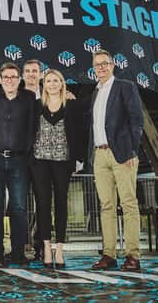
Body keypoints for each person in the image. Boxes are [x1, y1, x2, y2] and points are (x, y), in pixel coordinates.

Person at [86, 50, 144, 272]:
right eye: (97, 65)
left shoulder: (124, 86)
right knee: (106, 206)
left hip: (122, 153)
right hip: (99, 155)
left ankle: (133, 256)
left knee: (129, 204)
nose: (100, 67)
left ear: (112, 66)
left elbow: (137, 121)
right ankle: (109, 255)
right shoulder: (95, 92)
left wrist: (131, 150)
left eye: (104, 63)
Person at [0, 62, 36, 266]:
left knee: (19, 208)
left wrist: (67, 95)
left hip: (20, 160)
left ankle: (18, 253)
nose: (10, 81)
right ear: (0, 80)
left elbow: (49, 101)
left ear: (20, 80)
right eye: (6, 77)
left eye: (14, 77)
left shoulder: (29, 99)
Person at [31, 69, 85, 269]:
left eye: (56, 81)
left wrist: (79, 159)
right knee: (43, 204)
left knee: (61, 203)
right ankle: (46, 248)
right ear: (44, 85)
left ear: (62, 84)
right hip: (39, 161)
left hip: (63, 161)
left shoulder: (71, 105)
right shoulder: (37, 106)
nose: (52, 84)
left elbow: (80, 133)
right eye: (48, 81)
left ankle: (60, 249)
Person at [21, 59, 44, 261]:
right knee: (19, 204)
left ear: (41, 74)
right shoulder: (14, 96)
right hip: (20, 158)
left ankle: (41, 246)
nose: (31, 74)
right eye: (27, 71)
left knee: (43, 204)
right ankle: (19, 246)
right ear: (22, 75)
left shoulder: (51, 96)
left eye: (35, 71)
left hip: (43, 159)